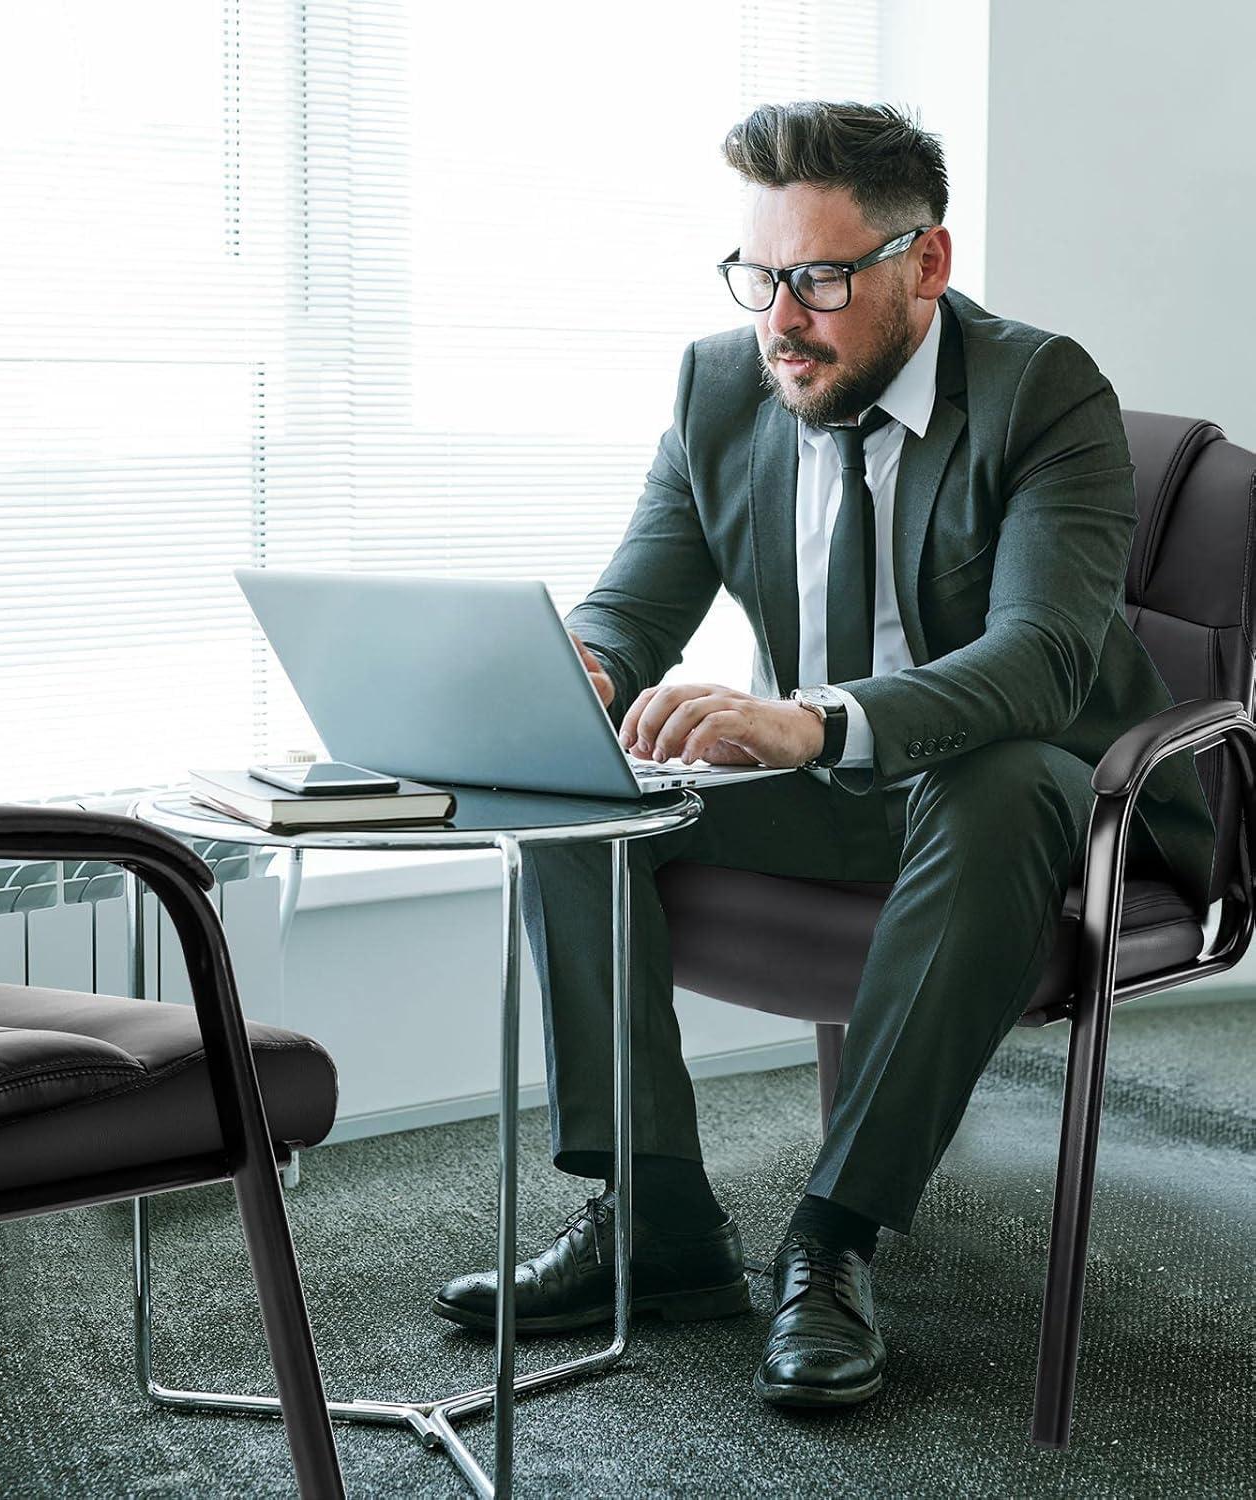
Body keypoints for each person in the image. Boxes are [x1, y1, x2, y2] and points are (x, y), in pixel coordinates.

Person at [430, 99, 1216, 1409]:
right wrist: (587, 669)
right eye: (760, 275)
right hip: (838, 791)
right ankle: (660, 1220)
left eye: (822, 279)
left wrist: (818, 718)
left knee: (997, 776)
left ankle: (834, 1240)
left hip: (1048, 799)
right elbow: (637, 601)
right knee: (567, 787)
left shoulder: (1043, 392)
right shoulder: (722, 384)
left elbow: (1043, 661)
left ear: (928, 265)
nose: (781, 318)